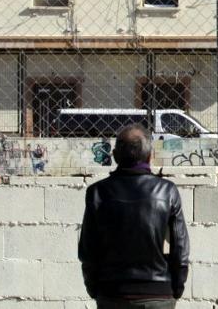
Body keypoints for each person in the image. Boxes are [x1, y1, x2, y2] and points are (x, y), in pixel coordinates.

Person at [78, 124, 190, 308]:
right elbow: (180, 249)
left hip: (112, 293)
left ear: (114, 156)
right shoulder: (167, 191)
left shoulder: (97, 192)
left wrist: (94, 288)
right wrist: (175, 288)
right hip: (158, 293)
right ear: (150, 156)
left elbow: (88, 250)